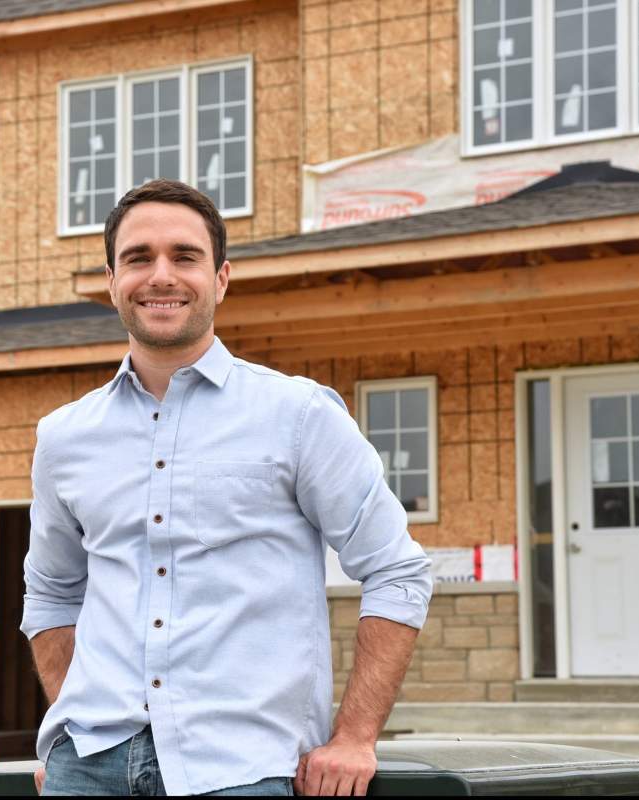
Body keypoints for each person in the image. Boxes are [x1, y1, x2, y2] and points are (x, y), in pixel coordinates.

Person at [23, 179, 432, 796]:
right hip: (87, 771)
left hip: (244, 769)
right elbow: (52, 593)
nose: (161, 275)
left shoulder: (299, 415)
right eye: (138, 258)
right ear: (112, 281)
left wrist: (355, 736)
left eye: (185, 256)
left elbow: (397, 570)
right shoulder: (64, 437)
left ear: (220, 279)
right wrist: (73, 732)